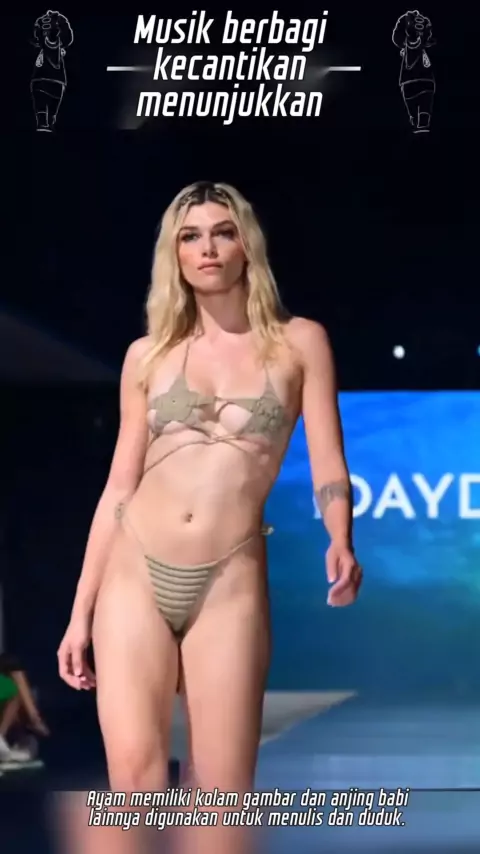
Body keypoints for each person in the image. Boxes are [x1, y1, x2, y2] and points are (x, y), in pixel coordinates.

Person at [57, 181, 362, 850]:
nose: (208, 248)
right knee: (135, 788)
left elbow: (328, 462)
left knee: (222, 798)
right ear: (174, 254)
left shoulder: (300, 343)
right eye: (190, 237)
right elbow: (118, 487)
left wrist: (340, 536)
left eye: (223, 232)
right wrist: (80, 612)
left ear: (247, 243)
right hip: (134, 571)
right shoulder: (148, 355)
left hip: (229, 579)